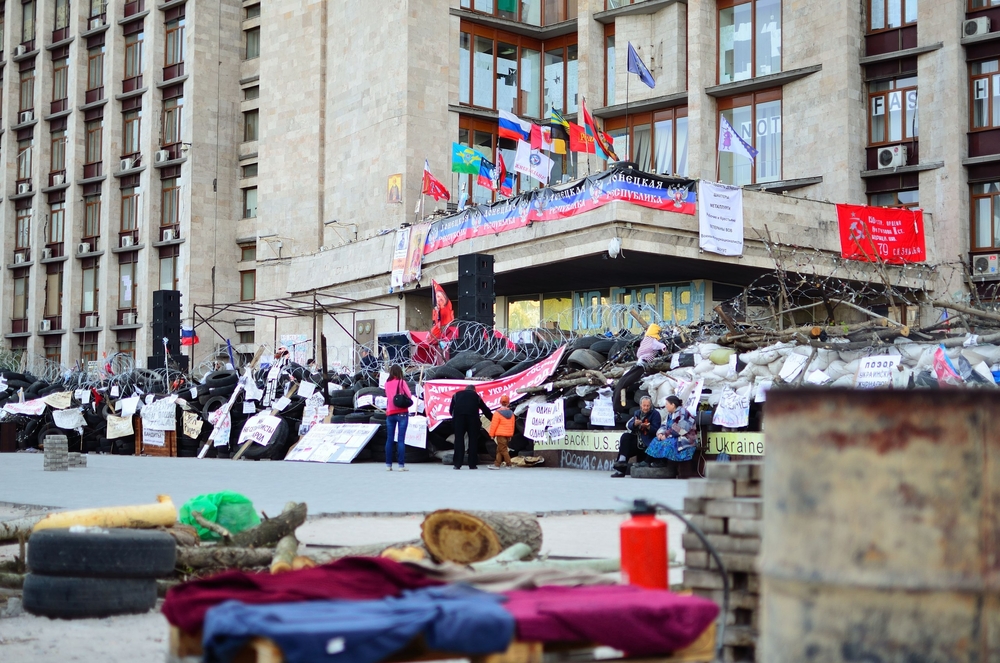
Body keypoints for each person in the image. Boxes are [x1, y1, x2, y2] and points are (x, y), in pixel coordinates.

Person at [613, 324, 666, 412]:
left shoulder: (645, 339)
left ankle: (616, 406)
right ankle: (617, 408)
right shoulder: (653, 341)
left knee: (624, 380)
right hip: (643, 363)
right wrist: (664, 349)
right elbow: (661, 346)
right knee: (627, 380)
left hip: (640, 360)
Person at [645, 395, 699, 477]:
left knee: (667, 443)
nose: (665, 406)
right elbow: (664, 425)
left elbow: (680, 429)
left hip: (686, 438)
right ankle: (653, 461)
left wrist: (666, 435)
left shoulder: (683, 413)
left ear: (673, 405)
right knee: (656, 440)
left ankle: (663, 462)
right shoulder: (670, 414)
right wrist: (661, 433)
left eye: (667, 404)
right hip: (673, 436)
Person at [611, 396, 661, 478]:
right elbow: (630, 425)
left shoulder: (655, 414)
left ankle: (622, 463)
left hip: (648, 440)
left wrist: (648, 427)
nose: (646, 408)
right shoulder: (637, 413)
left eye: (648, 406)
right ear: (641, 405)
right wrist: (635, 424)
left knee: (629, 443)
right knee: (625, 437)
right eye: (644, 406)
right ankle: (621, 464)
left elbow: (656, 430)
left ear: (650, 405)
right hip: (638, 438)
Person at [449, 384, 492, 470]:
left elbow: (451, 410)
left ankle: (457, 464)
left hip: (459, 419)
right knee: (473, 440)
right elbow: (485, 409)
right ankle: (472, 464)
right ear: (474, 390)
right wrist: (492, 419)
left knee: (459, 440)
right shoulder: (476, 396)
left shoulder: (456, 395)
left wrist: (455, 418)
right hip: (472, 419)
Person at [384, 365, 412, 472]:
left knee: (389, 439)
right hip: (402, 413)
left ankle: (388, 465)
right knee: (401, 440)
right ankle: (401, 465)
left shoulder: (386, 383)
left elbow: (387, 396)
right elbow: (409, 395)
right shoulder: (402, 382)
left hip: (390, 413)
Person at [487, 394, 515, 470]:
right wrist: (511, 435)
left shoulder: (497, 413)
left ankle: (509, 464)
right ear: (508, 403)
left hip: (500, 434)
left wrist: (491, 434)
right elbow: (513, 425)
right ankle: (497, 464)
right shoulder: (511, 414)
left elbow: (494, 425)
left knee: (503, 449)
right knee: (499, 449)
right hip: (508, 434)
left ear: (500, 402)